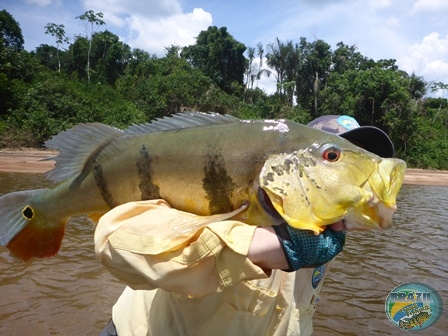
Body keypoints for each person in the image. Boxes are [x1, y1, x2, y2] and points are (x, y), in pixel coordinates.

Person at [96, 115, 394, 336]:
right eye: (333, 157)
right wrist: (262, 246)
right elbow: (115, 239)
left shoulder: (323, 234)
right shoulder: (251, 199)